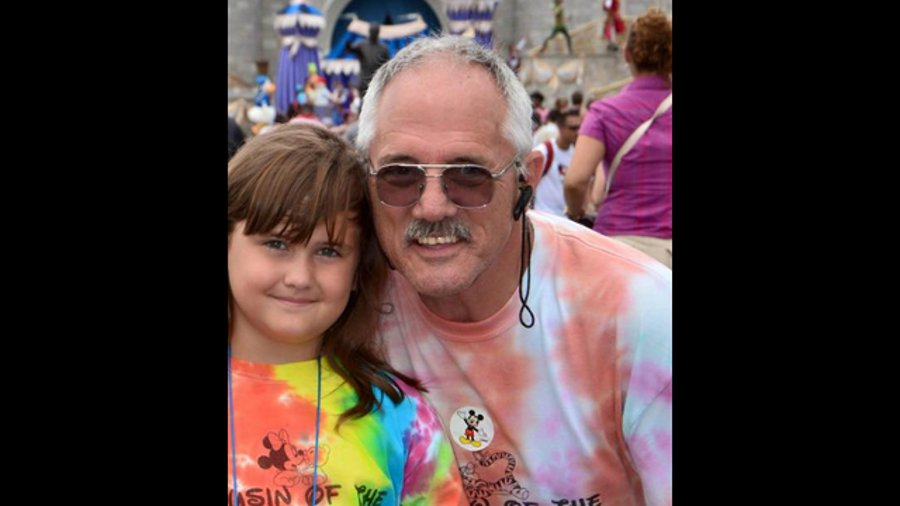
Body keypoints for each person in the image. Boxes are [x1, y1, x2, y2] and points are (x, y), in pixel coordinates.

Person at [356, 36, 672, 505]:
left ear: (529, 178)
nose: (433, 205)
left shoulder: (641, 311)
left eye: (469, 175)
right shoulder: (340, 301)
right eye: (400, 174)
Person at [227, 123, 464, 506]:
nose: (299, 278)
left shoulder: (400, 417)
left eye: (329, 251)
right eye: (276, 243)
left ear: (358, 270)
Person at [564, 9, 672, 269]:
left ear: (627, 55)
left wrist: (578, 211)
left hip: (619, 246)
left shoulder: (604, 112)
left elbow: (576, 181)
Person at [533, 108, 582, 218]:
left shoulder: (576, 154)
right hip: (543, 217)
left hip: (565, 220)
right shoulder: (545, 151)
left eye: (580, 127)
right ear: (561, 128)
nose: (578, 132)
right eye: (573, 128)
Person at [346, 22, 390, 103]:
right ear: (369, 32)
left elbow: (387, 65)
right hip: (363, 81)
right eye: (372, 31)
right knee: (363, 104)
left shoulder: (383, 48)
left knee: (375, 104)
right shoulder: (362, 45)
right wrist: (348, 45)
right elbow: (351, 49)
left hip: (376, 81)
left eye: (375, 31)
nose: (373, 33)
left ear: (378, 33)